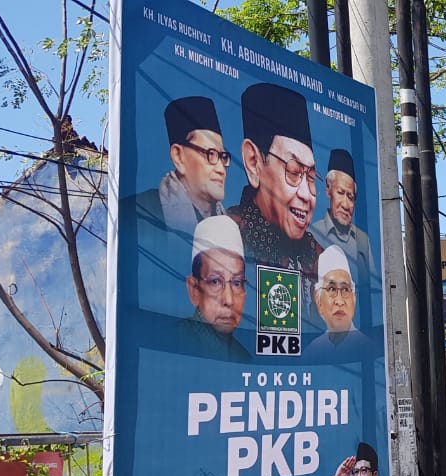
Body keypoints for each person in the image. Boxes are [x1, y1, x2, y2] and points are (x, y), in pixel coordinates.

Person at [227, 83, 323, 281]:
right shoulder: (225, 238)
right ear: (253, 162)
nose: (306, 194)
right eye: (293, 171)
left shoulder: (317, 257)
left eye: (311, 178)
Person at [137, 96, 230, 233]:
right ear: (178, 156)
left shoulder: (230, 226)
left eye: (223, 157)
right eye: (210, 154)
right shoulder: (141, 212)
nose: (221, 169)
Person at [178, 215, 251, 361]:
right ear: (194, 290)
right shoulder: (174, 343)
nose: (229, 300)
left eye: (237, 283)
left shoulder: (243, 358)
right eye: (215, 282)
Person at [309, 149, 375, 282]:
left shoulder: (362, 241)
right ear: (328, 189)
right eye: (340, 193)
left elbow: (372, 284)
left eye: (350, 197)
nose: (345, 205)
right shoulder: (312, 234)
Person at [306, 245, 371, 360]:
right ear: (318, 300)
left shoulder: (368, 348)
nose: (340, 301)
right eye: (332, 289)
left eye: (345, 289)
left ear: (354, 299)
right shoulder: (312, 350)